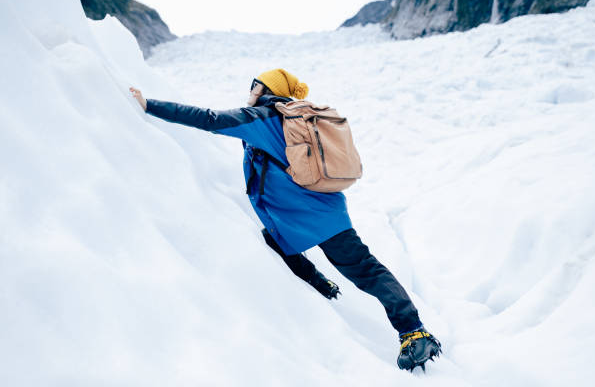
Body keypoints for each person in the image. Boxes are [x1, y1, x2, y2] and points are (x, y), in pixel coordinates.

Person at [129, 68, 441, 371]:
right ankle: (337, 294)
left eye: (254, 85)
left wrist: (149, 105)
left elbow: (209, 119)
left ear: (265, 90)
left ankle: (412, 330)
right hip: (323, 213)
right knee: (300, 251)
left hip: (304, 218)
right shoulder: (295, 118)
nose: (250, 91)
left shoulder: (261, 118)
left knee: (348, 266)